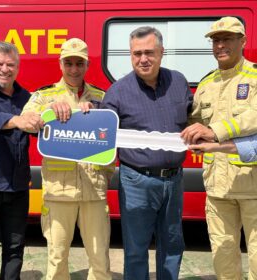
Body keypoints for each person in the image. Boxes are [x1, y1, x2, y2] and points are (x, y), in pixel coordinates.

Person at [101, 26, 193, 280]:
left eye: (149, 52)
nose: (143, 59)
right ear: (130, 55)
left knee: (172, 245)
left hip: (174, 179)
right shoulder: (117, 91)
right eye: (137, 53)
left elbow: (193, 119)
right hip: (136, 181)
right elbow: (101, 129)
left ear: (162, 52)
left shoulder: (179, 82)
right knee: (136, 250)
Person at [21, 38, 114, 280]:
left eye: (79, 64)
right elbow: (26, 121)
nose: (74, 69)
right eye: (69, 63)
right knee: (57, 258)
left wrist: (96, 114)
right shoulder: (45, 95)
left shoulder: (102, 97)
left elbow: (114, 133)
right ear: (60, 64)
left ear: (87, 65)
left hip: (94, 190)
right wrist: (48, 112)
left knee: (100, 260)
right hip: (59, 191)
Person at [181, 16, 257, 280]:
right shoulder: (206, 84)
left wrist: (215, 131)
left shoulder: (255, 77)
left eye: (227, 39)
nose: (220, 45)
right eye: (216, 40)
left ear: (243, 41)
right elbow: (195, 123)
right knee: (223, 259)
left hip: (252, 187)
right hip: (217, 188)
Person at [0, 41, 43, 280]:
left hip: (18, 187)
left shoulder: (28, 97)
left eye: (10, 64)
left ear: (18, 67)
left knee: (15, 249)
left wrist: (52, 116)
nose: (4, 69)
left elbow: (41, 126)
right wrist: (17, 120)